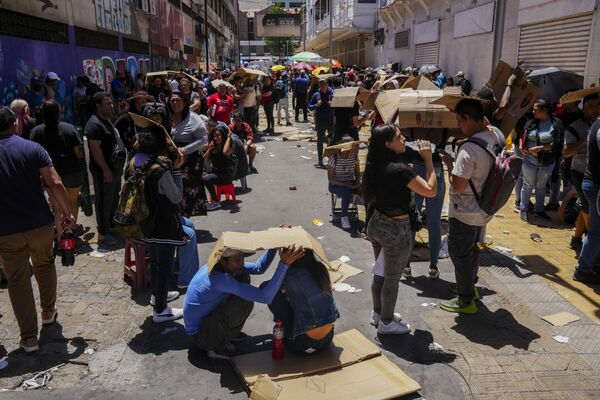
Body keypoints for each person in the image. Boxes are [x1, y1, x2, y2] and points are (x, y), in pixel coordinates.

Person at [0, 106, 74, 352]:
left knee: (18, 281)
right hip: (39, 224)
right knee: (44, 265)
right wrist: (67, 213)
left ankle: (29, 338)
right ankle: (48, 313)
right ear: (14, 124)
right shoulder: (32, 148)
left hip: (6, 230)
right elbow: (54, 182)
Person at [362, 124, 437, 334]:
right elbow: (430, 191)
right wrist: (428, 159)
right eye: (399, 136)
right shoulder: (400, 170)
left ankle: (378, 314)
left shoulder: (375, 163)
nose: (404, 138)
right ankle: (386, 323)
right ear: (388, 144)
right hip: (395, 230)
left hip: (376, 224)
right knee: (391, 279)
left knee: (381, 273)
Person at [184, 244, 305, 358]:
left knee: (242, 277)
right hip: (201, 336)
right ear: (223, 260)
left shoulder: (220, 265)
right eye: (237, 260)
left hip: (207, 322)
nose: (241, 263)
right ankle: (216, 345)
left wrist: (274, 247)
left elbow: (258, 268)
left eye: (242, 259)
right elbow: (265, 297)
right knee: (244, 302)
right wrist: (284, 264)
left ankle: (225, 333)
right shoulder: (220, 279)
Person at [440, 99, 505, 314]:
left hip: (465, 211)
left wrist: (450, 164)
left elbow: (458, 186)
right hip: (484, 207)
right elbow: (484, 120)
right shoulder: (495, 134)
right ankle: (468, 286)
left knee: (460, 253)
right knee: (472, 251)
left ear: (467, 118)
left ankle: (464, 300)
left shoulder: (468, 149)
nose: (459, 126)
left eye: (460, 120)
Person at [130, 125, 186, 322]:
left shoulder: (135, 161)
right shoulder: (159, 170)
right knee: (163, 266)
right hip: (162, 223)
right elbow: (176, 196)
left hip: (145, 222)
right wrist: (177, 170)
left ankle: (157, 295)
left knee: (154, 262)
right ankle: (161, 310)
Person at [265, 250, 339, 355]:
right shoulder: (320, 268)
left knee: (271, 293)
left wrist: (283, 264)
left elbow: (266, 292)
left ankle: (284, 331)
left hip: (302, 345)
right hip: (328, 339)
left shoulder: (289, 275)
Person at [31, 101, 84, 238]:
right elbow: (78, 153)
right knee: (72, 202)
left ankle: (60, 236)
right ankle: (71, 231)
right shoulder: (70, 128)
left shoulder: (36, 132)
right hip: (72, 172)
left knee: (56, 208)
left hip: (49, 175)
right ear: (59, 112)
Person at [85, 92, 127, 245]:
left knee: (114, 199)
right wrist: (106, 170)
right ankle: (103, 232)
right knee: (104, 201)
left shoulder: (107, 120)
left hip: (114, 169)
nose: (111, 106)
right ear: (98, 106)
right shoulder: (94, 124)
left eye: (111, 103)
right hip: (104, 171)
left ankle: (112, 226)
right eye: (107, 103)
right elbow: (96, 151)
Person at [564, 94, 600, 251]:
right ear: (583, 108)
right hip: (580, 173)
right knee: (589, 209)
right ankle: (592, 246)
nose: (595, 109)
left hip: (595, 173)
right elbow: (566, 153)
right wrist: (584, 140)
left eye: (597, 105)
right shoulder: (574, 127)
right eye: (591, 105)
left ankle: (576, 238)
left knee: (586, 208)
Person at [519, 99, 564, 221]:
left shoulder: (556, 123)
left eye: (535, 109)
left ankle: (539, 210)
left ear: (544, 111)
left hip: (547, 162)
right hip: (529, 159)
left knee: (541, 185)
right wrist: (521, 146)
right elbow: (522, 135)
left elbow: (558, 144)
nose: (532, 111)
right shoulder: (531, 122)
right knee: (527, 185)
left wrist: (541, 148)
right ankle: (523, 209)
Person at [169, 91, 209, 217]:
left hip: (190, 161)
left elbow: (203, 139)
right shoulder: (166, 116)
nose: (175, 103)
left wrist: (184, 150)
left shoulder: (193, 118)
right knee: (172, 190)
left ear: (185, 103)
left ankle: (185, 220)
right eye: (172, 100)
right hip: (172, 160)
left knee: (187, 191)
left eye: (178, 100)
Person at [573, 119, 600, 283]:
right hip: (597, 185)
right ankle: (584, 269)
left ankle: (594, 264)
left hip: (593, 183)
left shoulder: (596, 124)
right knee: (597, 231)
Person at [328, 136, 360, 230]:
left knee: (367, 189)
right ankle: (344, 217)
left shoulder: (354, 157)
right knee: (346, 192)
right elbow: (330, 179)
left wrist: (357, 182)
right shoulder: (334, 158)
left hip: (350, 182)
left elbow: (357, 173)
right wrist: (344, 184)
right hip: (336, 184)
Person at [202, 125, 235, 211]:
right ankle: (205, 200)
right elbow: (204, 160)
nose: (215, 138)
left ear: (223, 135)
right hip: (216, 173)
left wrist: (228, 137)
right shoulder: (214, 147)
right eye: (214, 136)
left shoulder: (229, 147)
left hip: (226, 175)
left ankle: (216, 201)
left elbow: (224, 152)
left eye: (218, 135)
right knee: (200, 175)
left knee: (206, 178)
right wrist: (209, 149)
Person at [308, 78, 334, 168]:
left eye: (324, 84)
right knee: (320, 139)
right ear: (319, 85)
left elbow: (339, 104)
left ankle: (331, 159)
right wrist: (316, 105)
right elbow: (310, 107)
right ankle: (320, 160)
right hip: (320, 119)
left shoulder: (332, 93)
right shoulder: (316, 95)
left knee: (331, 139)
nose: (323, 86)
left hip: (330, 119)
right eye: (321, 84)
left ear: (327, 84)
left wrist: (333, 103)